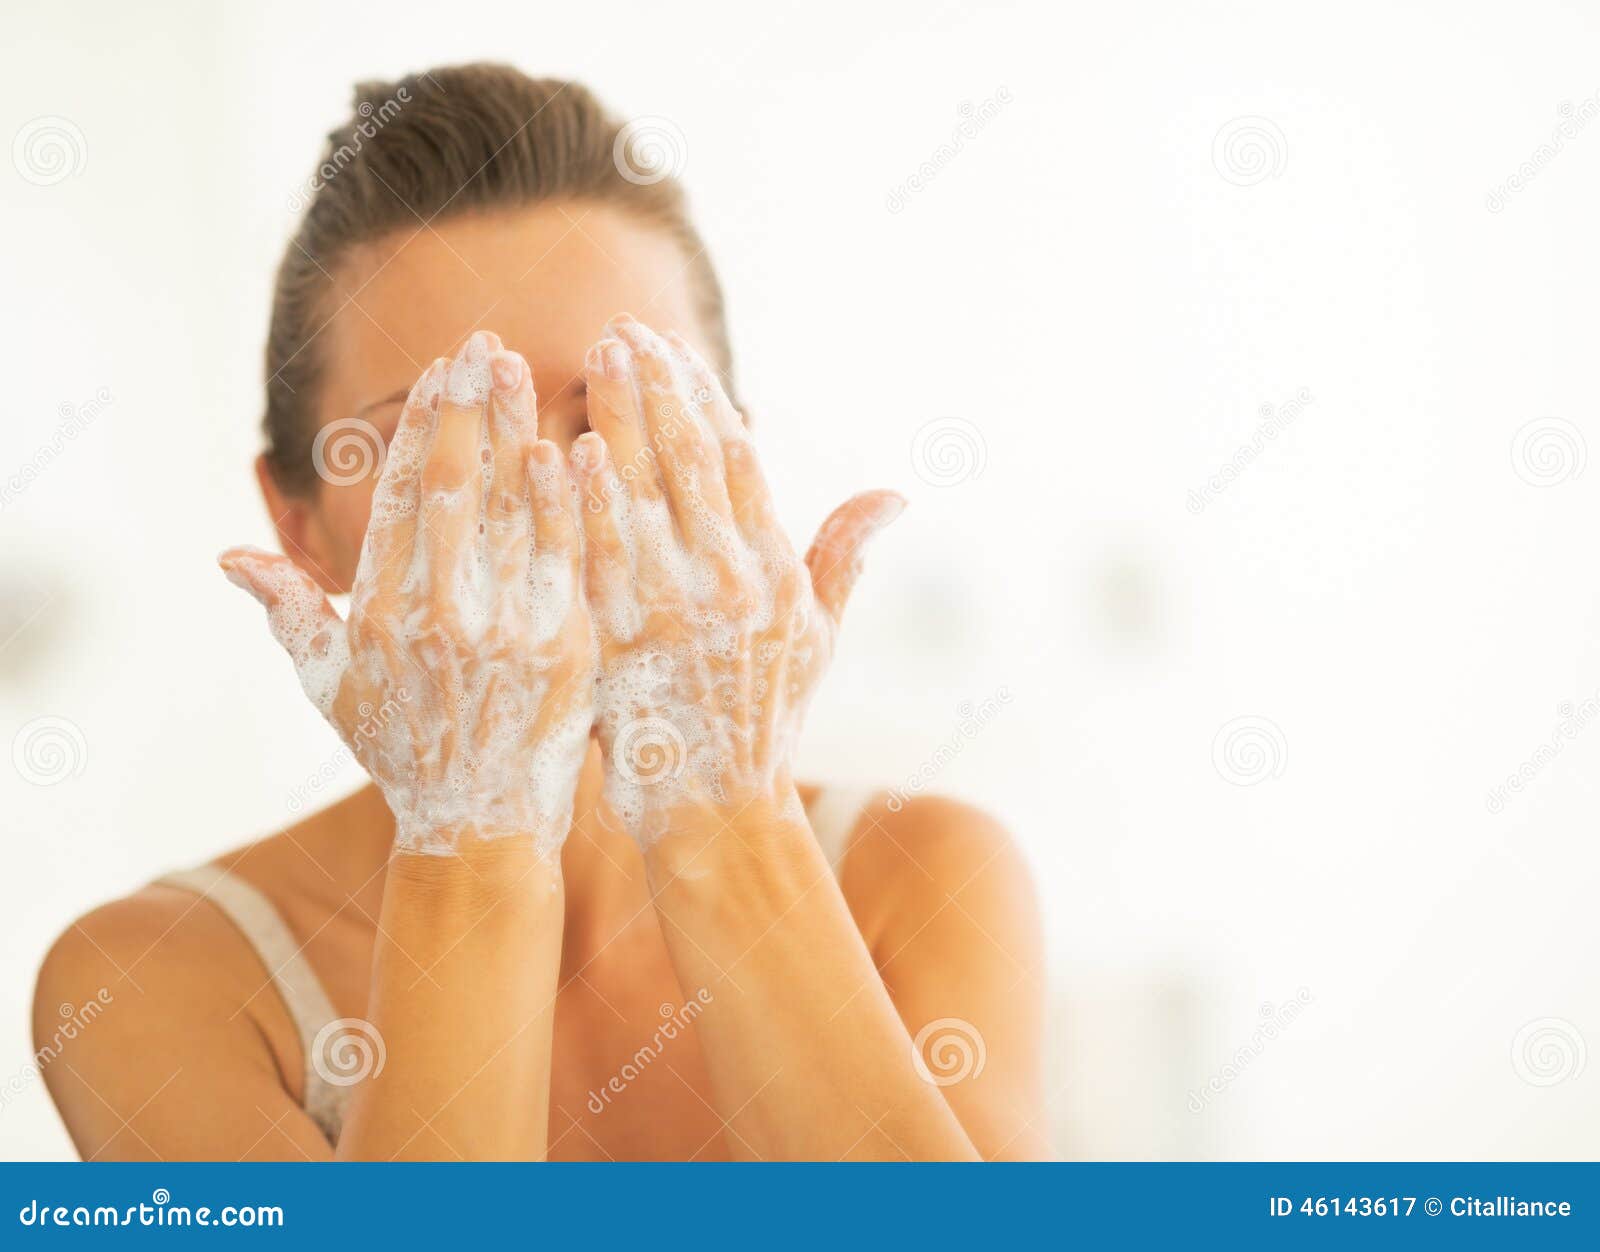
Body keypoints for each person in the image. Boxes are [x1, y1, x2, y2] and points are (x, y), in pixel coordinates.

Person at [35, 63, 1046, 1161]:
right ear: (300, 525)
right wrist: (472, 841)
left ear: (733, 464)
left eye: (625, 407)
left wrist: (727, 819)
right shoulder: (155, 980)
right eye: (450, 433)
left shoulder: (921, 876)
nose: (554, 494)